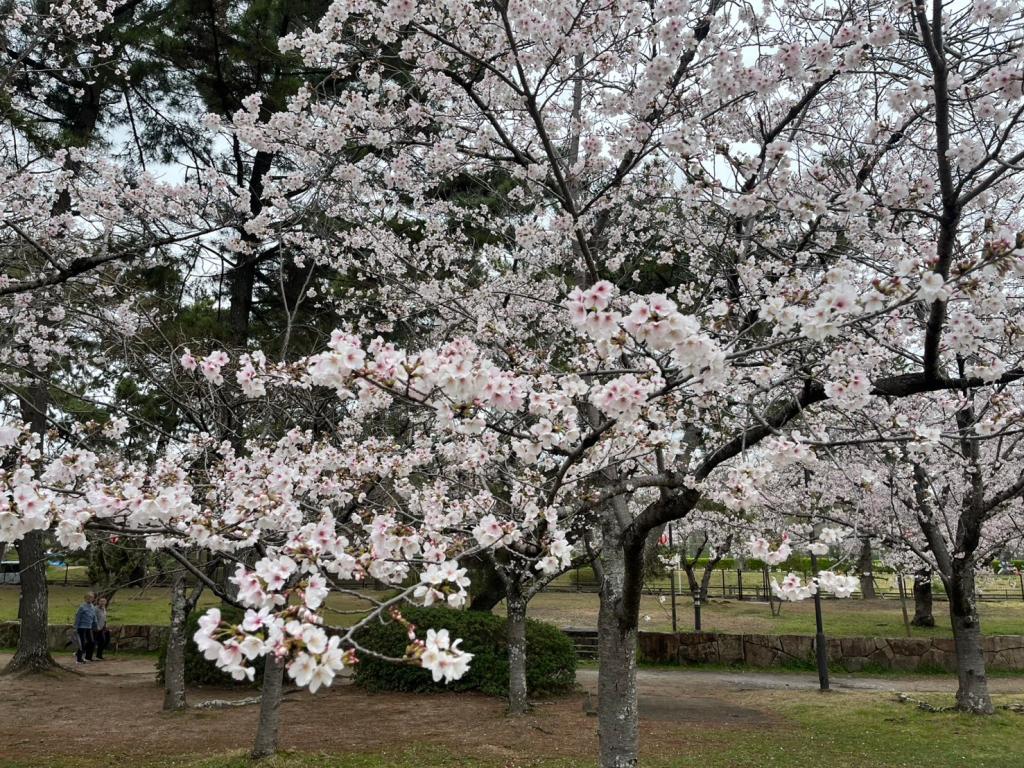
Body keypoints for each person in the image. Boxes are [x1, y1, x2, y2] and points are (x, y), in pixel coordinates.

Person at [74, 592, 97, 664]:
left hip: (89, 627)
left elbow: (94, 616)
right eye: (88, 598)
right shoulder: (82, 607)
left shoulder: (93, 606)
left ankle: (88, 657)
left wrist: (95, 625)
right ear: (85, 599)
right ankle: (79, 659)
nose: (90, 599)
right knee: (82, 643)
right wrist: (76, 627)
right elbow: (78, 617)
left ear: (93, 599)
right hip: (81, 627)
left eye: (91, 598)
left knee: (91, 642)